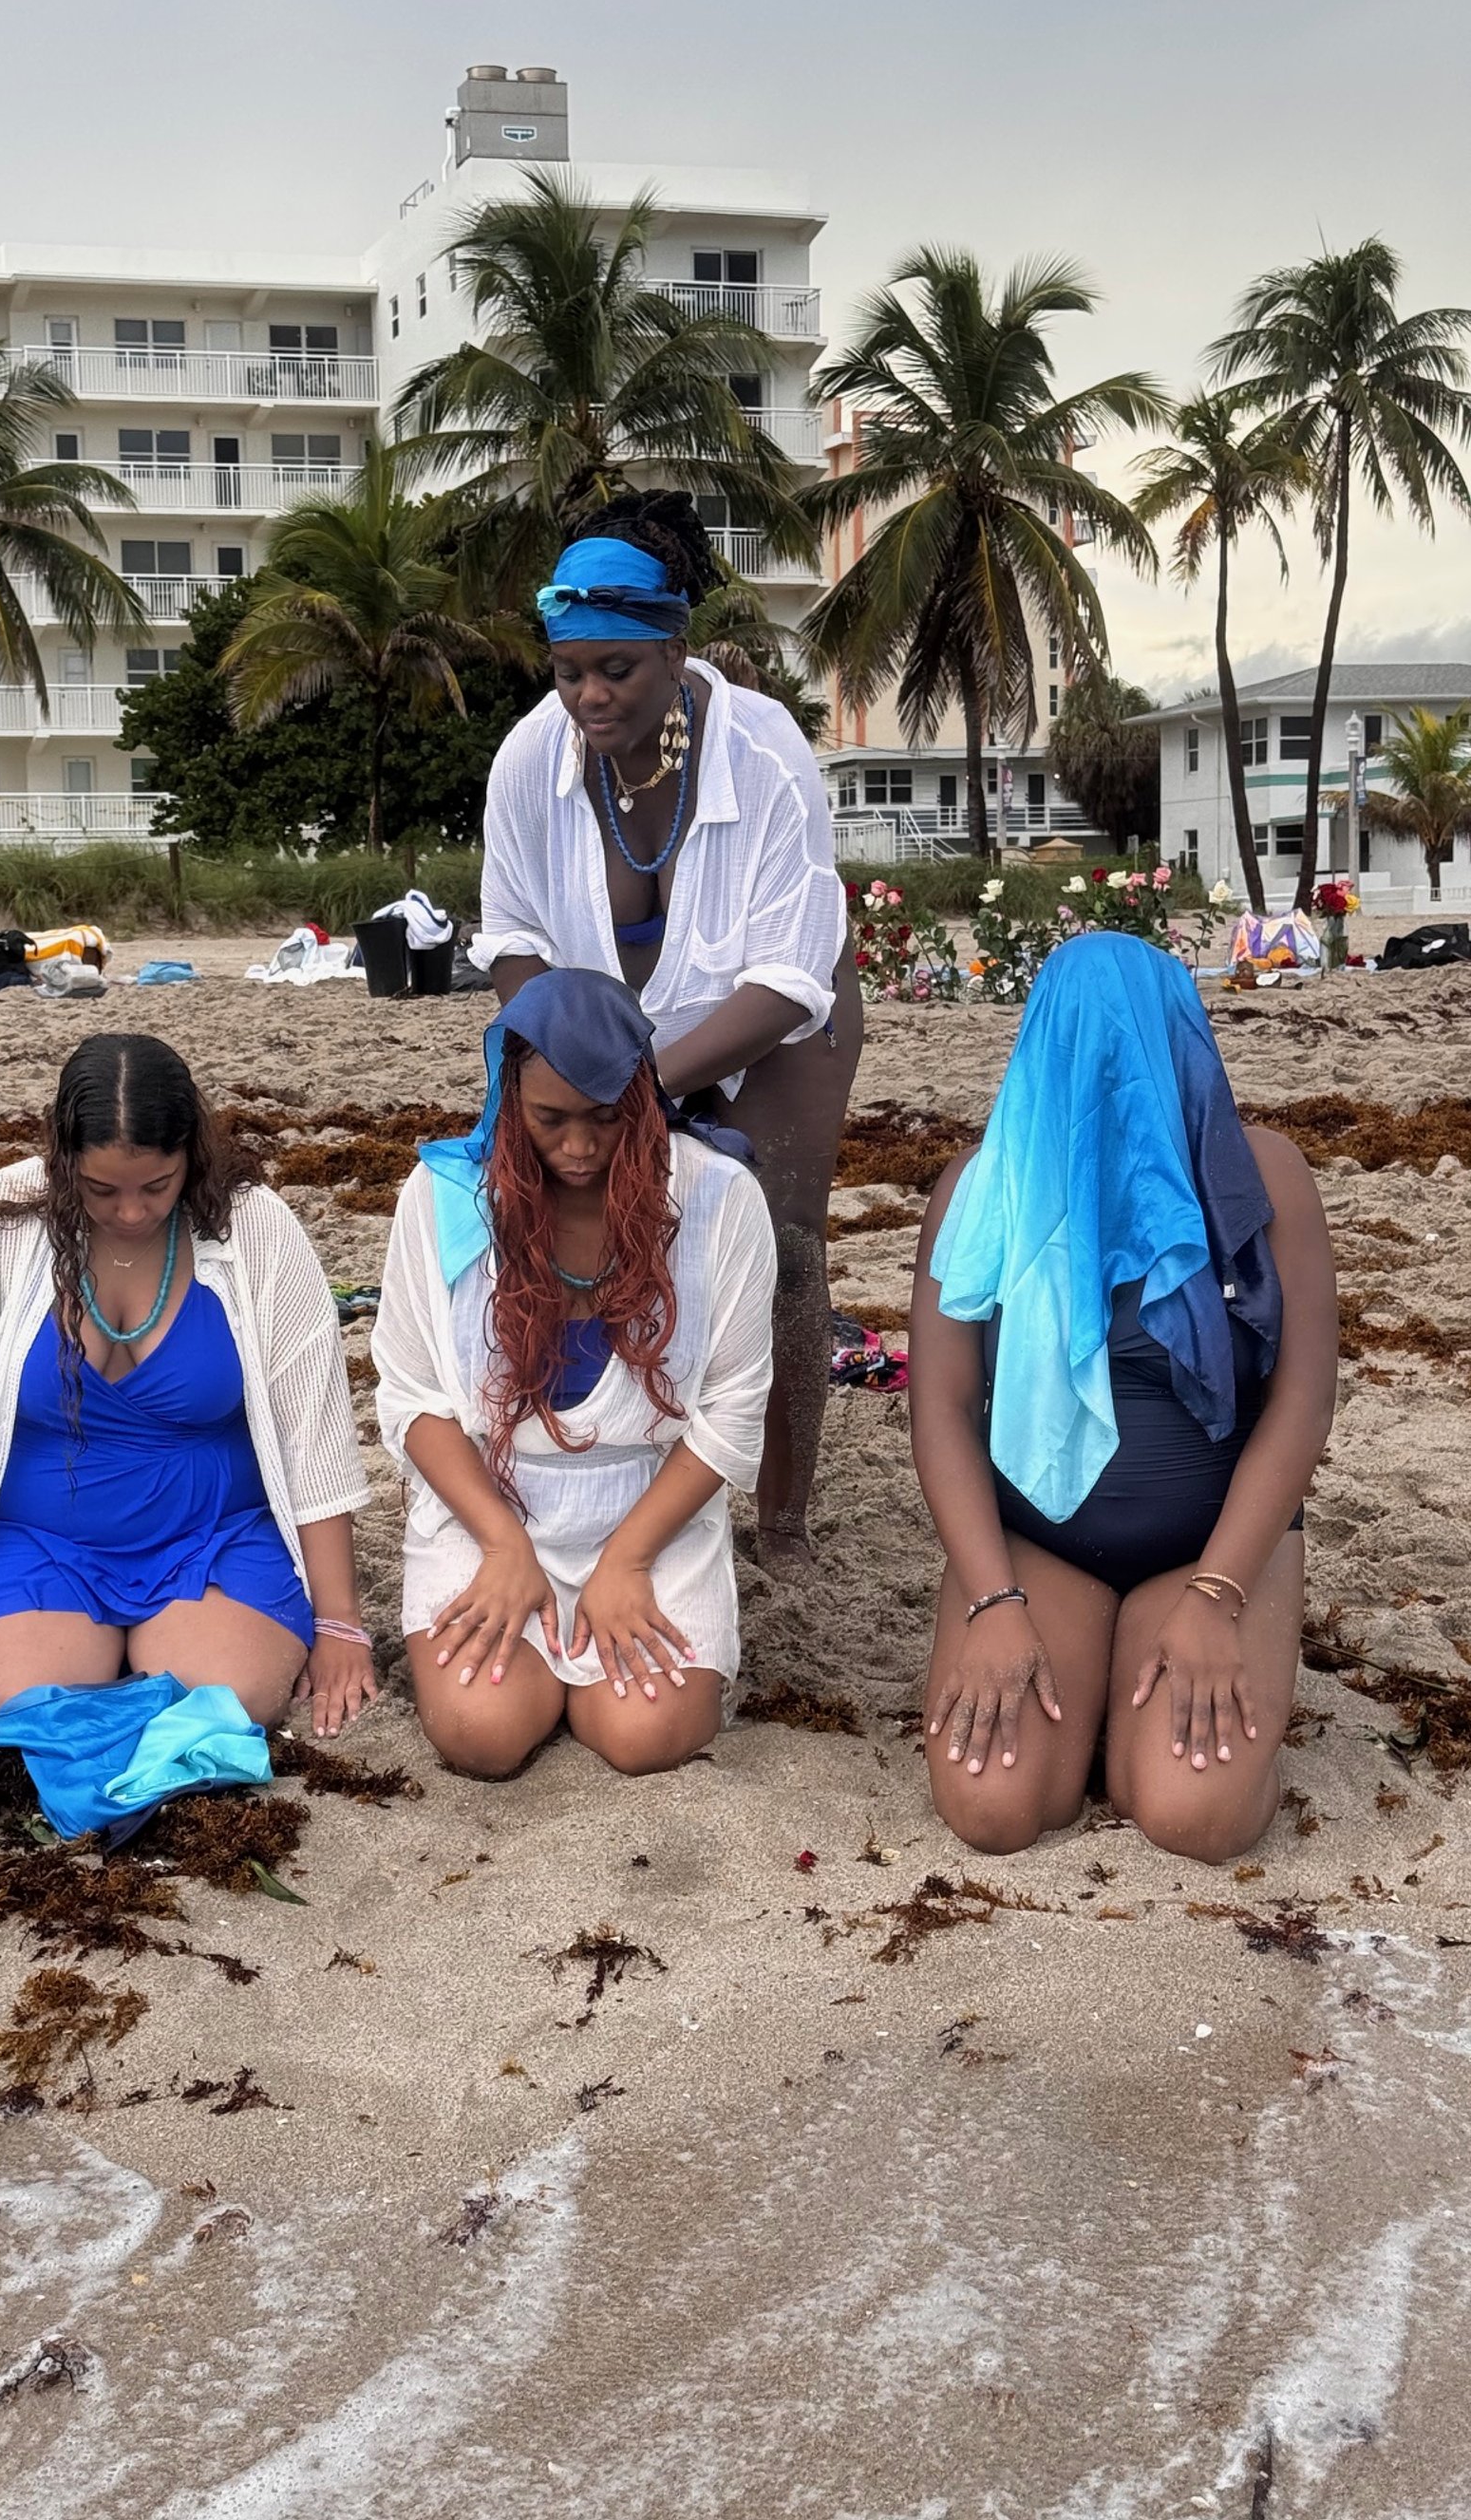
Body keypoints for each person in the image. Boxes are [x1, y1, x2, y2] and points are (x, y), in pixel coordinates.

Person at [472, 489, 859, 1573]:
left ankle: (781, 1523)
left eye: (616, 671)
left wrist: (638, 1085)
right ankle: (590, 1458)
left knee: (775, 1239)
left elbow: (789, 974)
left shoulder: (765, 754)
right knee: (561, 1197)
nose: (588, 695)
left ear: (676, 648)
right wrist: (565, 1062)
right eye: (567, 671)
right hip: (603, 1029)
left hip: (776, 1014)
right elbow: (510, 933)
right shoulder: (527, 762)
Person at [908, 933, 1337, 1864]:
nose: (1110, 1074)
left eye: (1130, 1049)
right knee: (993, 1810)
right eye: (1083, 1049)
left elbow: (1301, 1405)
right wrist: (992, 1602)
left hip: (1210, 1548)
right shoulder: (981, 1189)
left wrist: (1219, 1596)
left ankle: (1145, 1690)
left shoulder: (1265, 1179)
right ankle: (1093, 1686)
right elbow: (940, 1411)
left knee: (1193, 1818)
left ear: (1178, 1042)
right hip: (1036, 1548)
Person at [0, 1033, 372, 1779]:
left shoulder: (254, 1228)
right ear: (62, 1163)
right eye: (101, 1190)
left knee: (232, 1697)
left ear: (191, 1156)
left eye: (157, 1186)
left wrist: (339, 1620)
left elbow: (313, 1432)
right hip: (37, 1540)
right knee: (15, 1703)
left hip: (212, 1538)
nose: (130, 1212)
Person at [373, 969, 776, 1778]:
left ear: (644, 1096)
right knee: (480, 1732)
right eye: (549, 1119)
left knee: (646, 1736)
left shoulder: (718, 1197)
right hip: (490, 1503)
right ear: (506, 1097)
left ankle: (606, 1639)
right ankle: (528, 1644)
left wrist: (627, 1560)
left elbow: (732, 1413)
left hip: (647, 1512)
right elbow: (412, 1396)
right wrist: (500, 1541)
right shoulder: (445, 1195)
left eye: (606, 1118)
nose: (581, 1148)